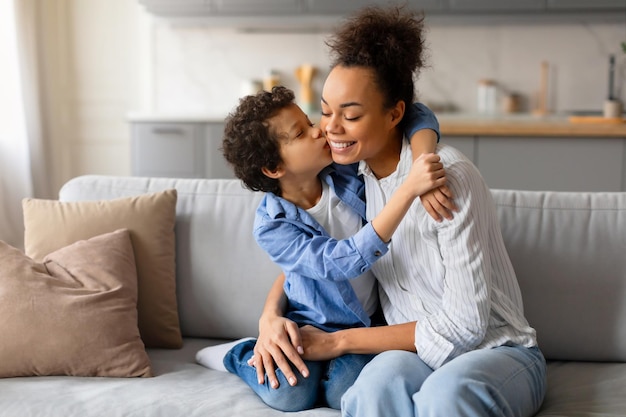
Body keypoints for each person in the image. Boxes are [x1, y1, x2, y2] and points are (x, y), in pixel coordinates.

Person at [253, 6, 547, 417]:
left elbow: (465, 327)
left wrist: (338, 342)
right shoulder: (349, 176)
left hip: (496, 348)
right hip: (410, 350)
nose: (329, 129)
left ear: (395, 114)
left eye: (351, 115)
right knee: (367, 392)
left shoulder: (446, 178)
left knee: (445, 398)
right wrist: (270, 316)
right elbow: (310, 259)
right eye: (324, 110)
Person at [195, 85, 452, 411]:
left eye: (309, 120)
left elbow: (416, 112)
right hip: (309, 324)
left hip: (365, 326)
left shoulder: (346, 170)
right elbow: (339, 263)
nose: (320, 130)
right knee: (288, 393)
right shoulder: (272, 226)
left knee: (342, 392)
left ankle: (322, 370)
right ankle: (239, 354)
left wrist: (421, 161)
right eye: (301, 133)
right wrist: (408, 191)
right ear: (275, 169)